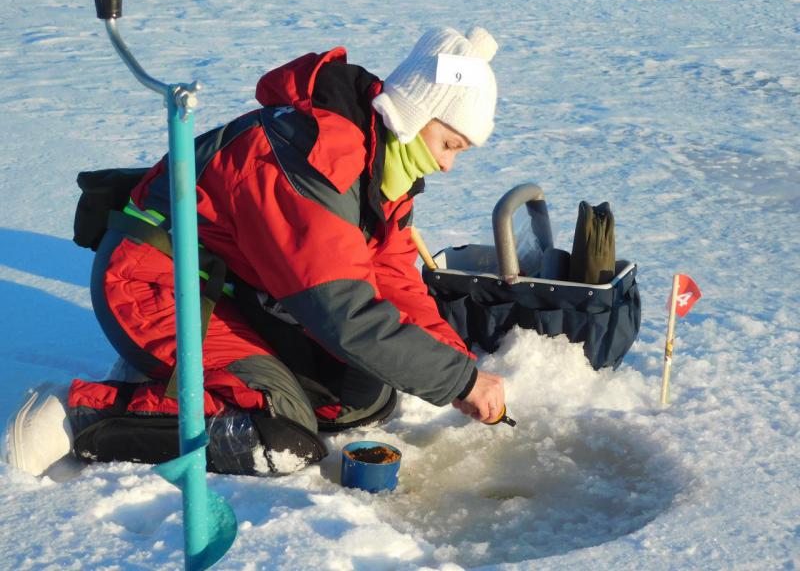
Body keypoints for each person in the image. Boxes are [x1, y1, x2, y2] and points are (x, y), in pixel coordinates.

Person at [7, 26, 506, 477]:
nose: (447, 167)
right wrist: (459, 381)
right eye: (450, 144)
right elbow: (346, 314)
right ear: (418, 112)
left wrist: (457, 365)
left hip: (234, 289)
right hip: (153, 282)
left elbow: (394, 278)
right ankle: (79, 413)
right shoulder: (315, 160)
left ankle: (195, 379)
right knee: (279, 432)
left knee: (363, 397)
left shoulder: (382, 168)